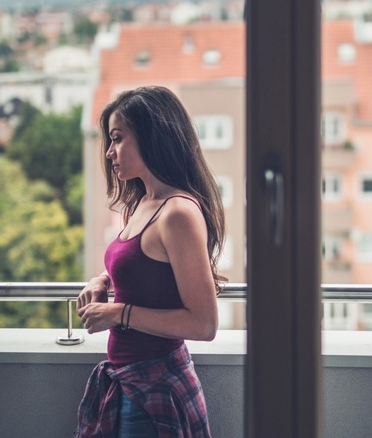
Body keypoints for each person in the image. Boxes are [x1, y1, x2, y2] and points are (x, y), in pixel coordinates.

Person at [74, 85, 225, 438]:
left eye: (118, 138)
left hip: (156, 388)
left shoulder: (178, 213)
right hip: (131, 383)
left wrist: (117, 313)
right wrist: (104, 279)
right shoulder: (143, 202)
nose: (110, 152)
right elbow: (145, 266)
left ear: (152, 136)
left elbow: (204, 324)